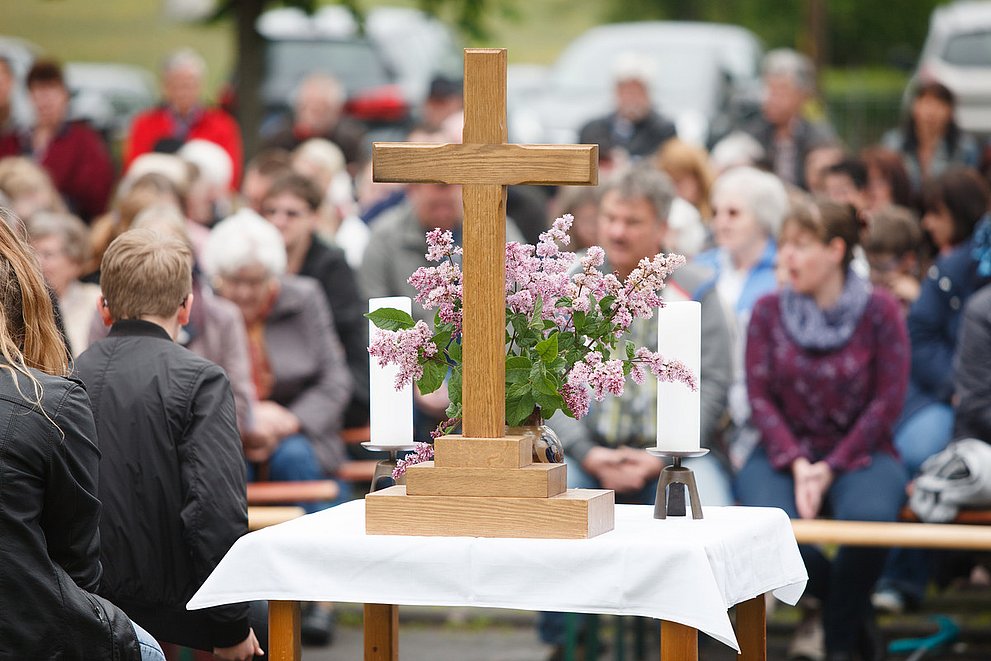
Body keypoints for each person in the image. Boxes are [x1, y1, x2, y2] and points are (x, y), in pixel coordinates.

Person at [539, 166, 733, 657]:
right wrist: (585, 448)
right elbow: (546, 380)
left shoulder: (696, 289)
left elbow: (712, 382)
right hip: (587, 450)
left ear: (662, 228)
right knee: (551, 503)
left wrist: (665, 453)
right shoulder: (569, 283)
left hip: (676, 454)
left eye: (633, 221)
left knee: (713, 521)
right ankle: (572, 641)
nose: (619, 231)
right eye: (611, 218)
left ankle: (704, 640)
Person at [74, 228, 263, 659]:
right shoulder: (201, 381)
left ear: (104, 308)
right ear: (186, 307)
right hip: (173, 601)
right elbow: (215, 511)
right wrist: (231, 626)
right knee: (271, 626)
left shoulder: (67, 375)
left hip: (83, 598)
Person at [735, 200, 910, 661]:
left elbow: (887, 402)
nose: (785, 257)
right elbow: (759, 398)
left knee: (871, 528)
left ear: (836, 250)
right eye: (784, 245)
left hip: (862, 450)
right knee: (767, 532)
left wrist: (827, 469)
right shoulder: (768, 310)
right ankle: (851, 619)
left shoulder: (881, 310)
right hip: (780, 451)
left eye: (800, 245)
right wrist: (797, 463)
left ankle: (837, 636)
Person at [0, 212, 164, 660]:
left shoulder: (53, 396)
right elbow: (76, 561)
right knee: (148, 650)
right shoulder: (47, 401)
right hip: (25, 624)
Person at [873, 166, 991, 614]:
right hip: (941, 396)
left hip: (973, 402)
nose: (926, 223)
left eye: (936, 212)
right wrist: (957, 386)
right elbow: (919, 337)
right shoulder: (951, 267)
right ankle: (898, 580)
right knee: (917, 459)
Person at [694, 166, 789, 469]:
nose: (721, 222)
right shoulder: (699, 267)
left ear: (763, 219)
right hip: (704, 393)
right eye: (717, 212)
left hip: (759, 405)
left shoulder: (785, 271)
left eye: (734, 213)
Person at [259, 172, 369, 430]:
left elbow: (341, 337)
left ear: (314, 218)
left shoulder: (332, 265)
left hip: (330, 383)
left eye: (291, 214)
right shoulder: (257, 266)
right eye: (271, 211)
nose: (279, 221)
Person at [0, 59, 115, 222]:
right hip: (14, 222)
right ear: (30, 96)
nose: (45, 100)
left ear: (65, 96)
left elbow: (97, 193)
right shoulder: (14, 140)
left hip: (65, 222)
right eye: (38, 91)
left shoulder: (83, 140)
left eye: (51, 91)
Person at [124, 49, 243, 189]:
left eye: (188, 85)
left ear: (200, 85)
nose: (183, 92)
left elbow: (231, 177)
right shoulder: (145, 124)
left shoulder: (222, 125)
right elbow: (134, 171)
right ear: (165, 86)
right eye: (176, 85)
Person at [739, 49, 836, 190]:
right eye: (768, 90)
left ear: (802, 95)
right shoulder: (752, 132)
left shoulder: (818, 136)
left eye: (781, 91)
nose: (771, 99)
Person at [25, 210, 101, 357]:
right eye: (31, 253)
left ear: (75, 262)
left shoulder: (96, 301)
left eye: (48, 255)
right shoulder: (20, 304)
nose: (36, 262)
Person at [577, 52, 676, 164]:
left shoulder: (662, 131)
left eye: (637, 91)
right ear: (616, 92)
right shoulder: (593, 131)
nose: (632, 98)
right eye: (626, 91)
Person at [882, 81, 978, 195]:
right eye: (927, 103)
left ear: (950, 111)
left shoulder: (964, 147)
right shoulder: (894, 142)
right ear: (914, 107)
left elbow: (969, 189)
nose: (931, 112)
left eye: (938, 104)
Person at [262, 73, 367, 173]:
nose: (313, 116)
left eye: (321, 109)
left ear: (336, 111)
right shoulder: (280, 138)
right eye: (307, 107)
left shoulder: (350, 139)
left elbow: (360, 172)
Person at [862, 205, 923, 314]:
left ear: (908, 261)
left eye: (882, 268)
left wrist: (919, 299)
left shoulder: (917, 296)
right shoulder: (867, 294)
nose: (873, 275)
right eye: (870, 266)